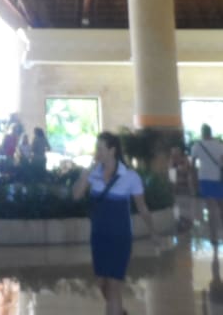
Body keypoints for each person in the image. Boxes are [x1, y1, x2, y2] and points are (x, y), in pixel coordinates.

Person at [73, 131, 158, 315]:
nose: (97, 152)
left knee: (113, 284)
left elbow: (142, 207)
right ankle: (118, 310)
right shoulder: (93, 173)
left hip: (120, 236)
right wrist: (86, 172)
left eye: (100, 148)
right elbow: (76, 195)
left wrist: (153, 231)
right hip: (99, 236)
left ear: (112, 150)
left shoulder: (130, 176)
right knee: (102, 283)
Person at [190, 124, 223, 245]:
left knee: (211, 209)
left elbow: (192, 166)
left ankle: (213, 237)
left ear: (202, 133)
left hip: (205, 178)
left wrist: (194, 182)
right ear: (211, 133)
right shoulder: (219, 145)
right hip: (219, 178)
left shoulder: (197, 146)